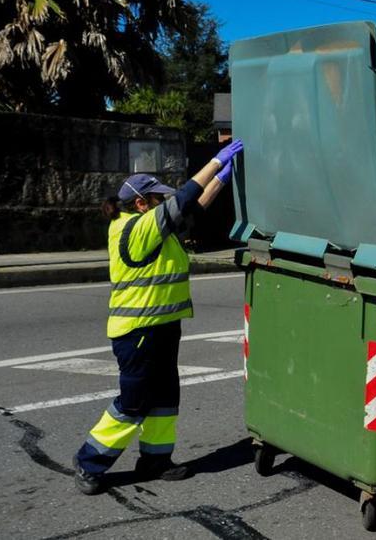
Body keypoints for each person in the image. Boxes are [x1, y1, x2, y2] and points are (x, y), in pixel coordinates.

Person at [72, 139, 244, 495]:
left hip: (163, 328)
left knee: (165, 396)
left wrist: (222, 179)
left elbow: (192, 207)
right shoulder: (133, 230)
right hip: (137, 332)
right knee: (133, 402)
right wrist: (214, 161)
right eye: (157, 199)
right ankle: (89, 461)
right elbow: (183, 198)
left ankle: (155, 460)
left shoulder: (156, 229)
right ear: (140, 203)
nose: (164, 203)